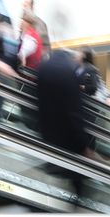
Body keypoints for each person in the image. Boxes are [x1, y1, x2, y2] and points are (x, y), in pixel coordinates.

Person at [37, 50, 91, 198]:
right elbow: (75, 109)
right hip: (69, 132)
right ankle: (78, 195)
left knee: (57, 160)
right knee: (75, 167)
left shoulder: (42, 68)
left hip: (48, 128)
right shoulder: (68, 71)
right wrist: (82, 139)